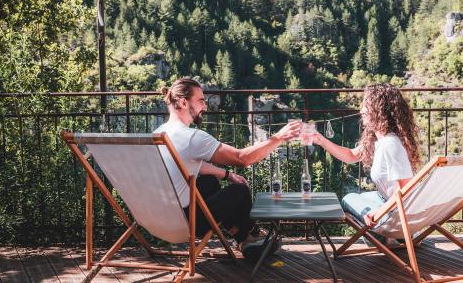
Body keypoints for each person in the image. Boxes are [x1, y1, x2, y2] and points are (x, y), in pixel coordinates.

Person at [154, 77, 301, 261]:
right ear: (183, 102)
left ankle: (243, 237)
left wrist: (227, 174)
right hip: (186, 223)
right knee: (239, 191)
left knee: (208, 181)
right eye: (200, 100)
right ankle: (248, 236)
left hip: (157, 219)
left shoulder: (159, 133)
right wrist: (279, 137)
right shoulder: (192, 137)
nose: (205, 107)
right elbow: (242, 158)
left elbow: (186, 164)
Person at [313, 83, 420, 231]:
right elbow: (351, 155)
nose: (361, 110)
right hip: (389, 203)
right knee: (356, 197)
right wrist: (321, 140)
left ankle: (383, 237)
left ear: (380, 110)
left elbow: (406, 190)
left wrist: (378, 212)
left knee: (348, 199)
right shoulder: (381, 140)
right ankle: (383, 236)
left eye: (366, 106)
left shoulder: (390, 144)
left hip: (399, 218)